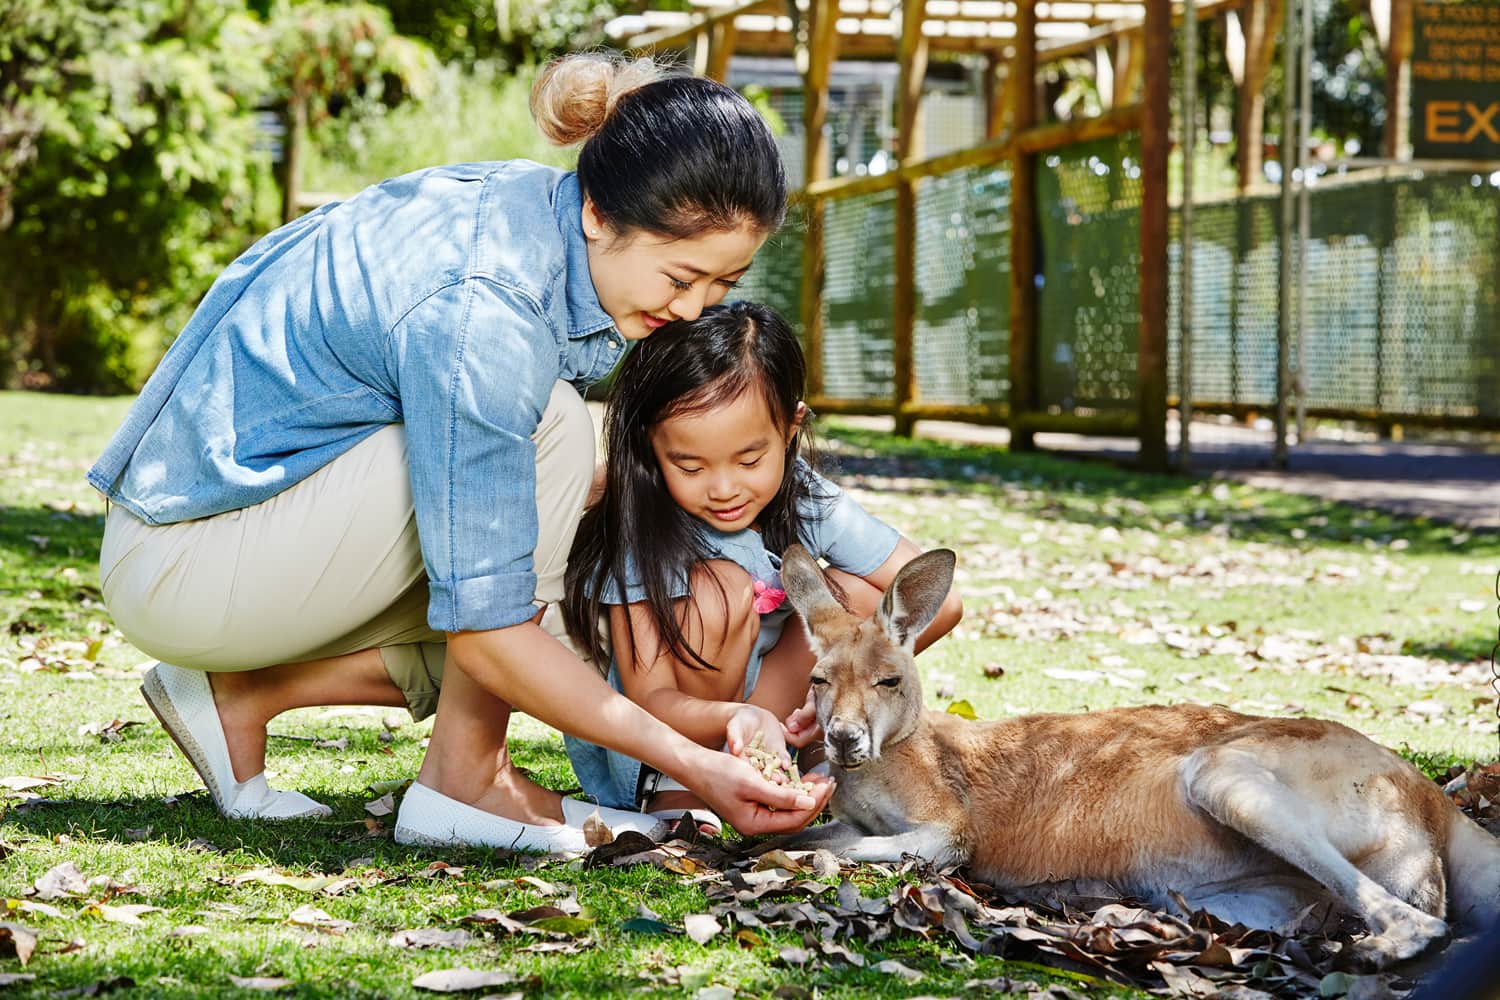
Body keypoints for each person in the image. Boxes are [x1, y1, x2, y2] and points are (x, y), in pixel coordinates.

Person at [85, 53, 833, 851]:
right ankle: (466, 783)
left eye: (721, 288)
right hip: (190, 556)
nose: (692, 313)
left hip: (238, 532)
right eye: (681, 277)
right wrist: (696, 764)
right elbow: (488, 631)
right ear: (598, 214)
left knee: (572, 561)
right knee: (552, 444)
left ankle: (242, 693)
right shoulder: (491, 309)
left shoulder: (530, 212)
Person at [561, 301, 963, 831]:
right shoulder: (645, 524)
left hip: (765, 706)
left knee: (854, 594)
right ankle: (681, 790)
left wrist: (825, 697)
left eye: (750, 460)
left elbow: (943, 604)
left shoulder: (804, 496)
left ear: (791, 426)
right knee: (724, 588)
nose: (725, 488)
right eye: (689, 465)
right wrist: (737, 719)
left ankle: (787, 754)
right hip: (671, 736)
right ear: (651, 447)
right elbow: (651, 699)